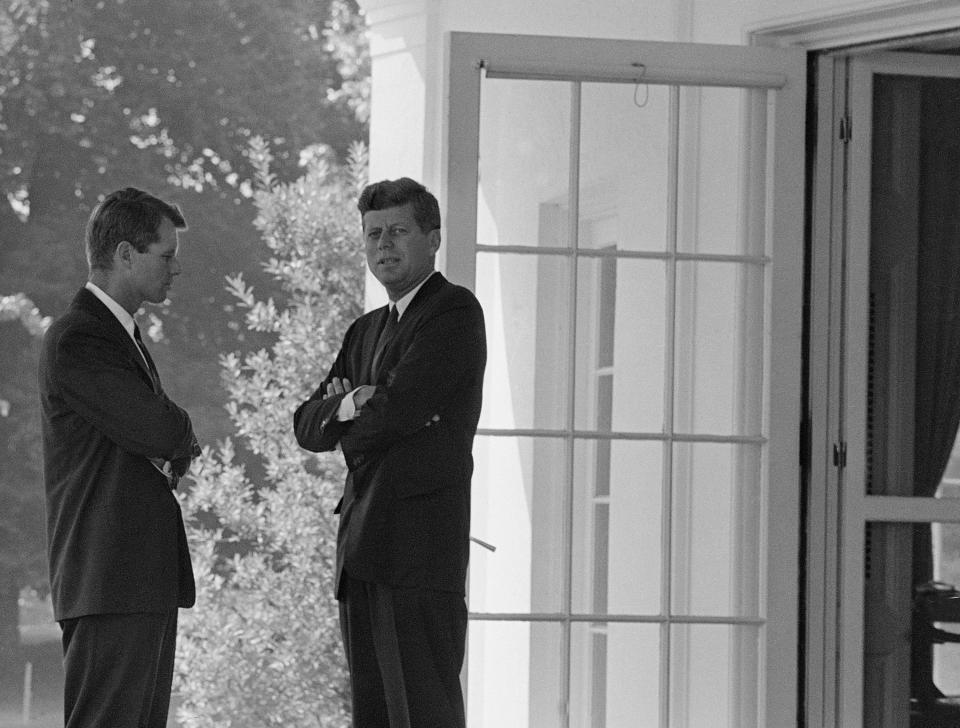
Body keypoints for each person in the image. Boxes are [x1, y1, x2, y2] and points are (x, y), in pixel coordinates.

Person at [294, 177, 486, 728]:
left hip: (421, 554)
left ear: (433, 238)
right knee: (373, 717)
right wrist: (356, 401)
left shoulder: (453, 313)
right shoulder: (364, 330)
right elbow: (307, 426)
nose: (383, 245)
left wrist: (351, 419)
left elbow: (397, 413)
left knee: (425, 714)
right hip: (361, 553)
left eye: (398, 231)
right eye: (373, 233)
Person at [38, 187, 201, 728]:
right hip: (109, 582)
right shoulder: (79, 338)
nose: (176, 268)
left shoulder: (117, 336)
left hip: (133, 582)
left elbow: (153, 433)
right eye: (166, 254)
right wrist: (176, 431)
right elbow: (159, 428)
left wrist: (168, 437)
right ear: (126, 254)